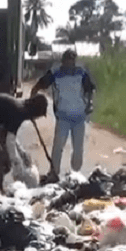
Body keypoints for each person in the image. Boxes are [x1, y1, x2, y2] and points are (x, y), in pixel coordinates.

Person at [30, 48, 96, 179]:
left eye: (72, 60)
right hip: (63, 116)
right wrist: (32, 98)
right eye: (67, 60)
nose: (70, 63)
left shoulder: (81, 73)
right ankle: (54, 172)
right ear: (63, 61)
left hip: (79, 117)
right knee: (58, 146)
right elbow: (39, 84)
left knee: (78, 149)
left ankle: (75, 174)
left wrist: (90, 103)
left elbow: (90, 89)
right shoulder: (55, 73)